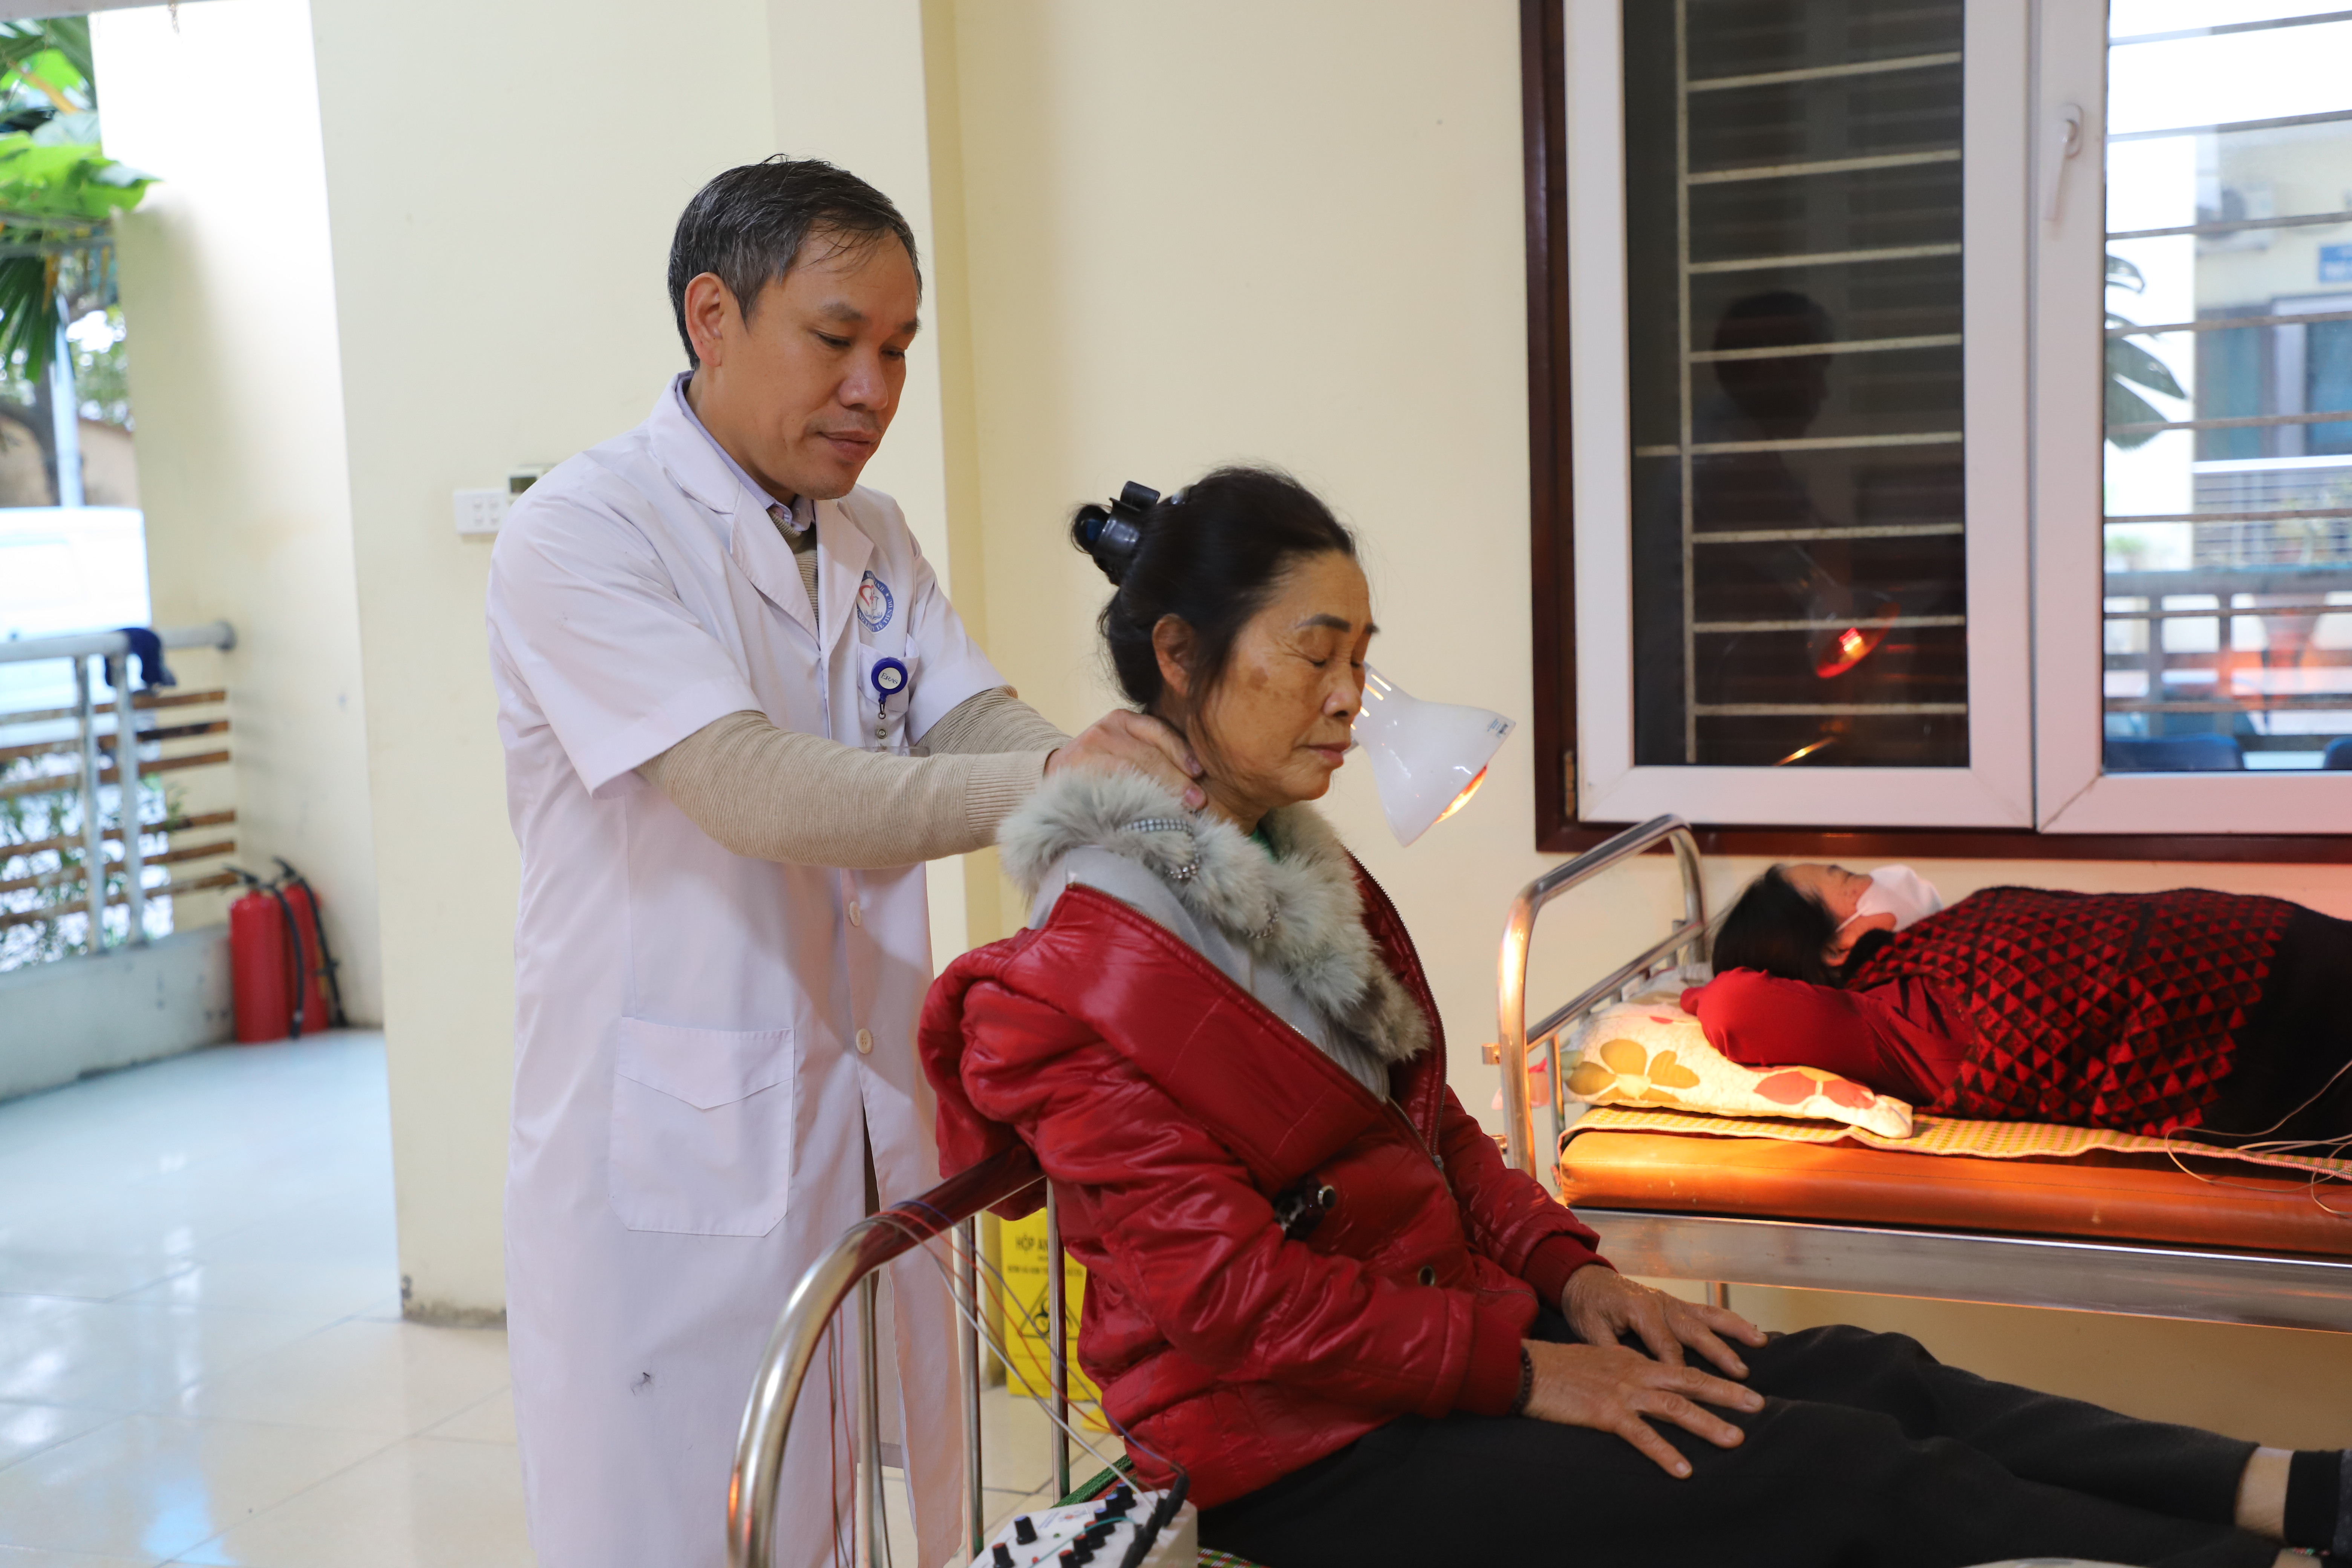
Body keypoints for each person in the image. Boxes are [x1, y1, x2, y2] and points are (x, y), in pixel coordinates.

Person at [916, 467, 2349, 1568]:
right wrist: (1532, 1372)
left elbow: (1438, 1135)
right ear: (1182, 655)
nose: (1353, 700)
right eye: (1316, 655)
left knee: (1867, 1375)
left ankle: (2290, 1491)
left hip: (1440, 1335)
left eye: (1364, 657)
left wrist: (1576, 1277)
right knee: (1836, 1472)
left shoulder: (1304, 873)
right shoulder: (1074, 983)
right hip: (1296, 1449)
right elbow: (1235, 1303)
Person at [484, 158, 1202, 1568]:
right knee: (688, 1527)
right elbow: (749, 788)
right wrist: (1056, 783)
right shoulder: (583, 532)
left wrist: (1123, 783)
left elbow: (970, 718)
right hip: (668, 1155)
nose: (874, 389)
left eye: (899, 350)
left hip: (849, 1109)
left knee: (837, 1509)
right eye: (837, 340)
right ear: (713, 317)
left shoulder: (869, 532)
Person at [1692, 863, 2352, 1140]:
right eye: (1849, 880)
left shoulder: (1942, 944)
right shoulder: (1886, 1024)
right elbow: (1735, 1007)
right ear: (1836, 948)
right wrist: (1691, 994)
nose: (1876, 876)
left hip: (2295, 959)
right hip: (2274, 1027)